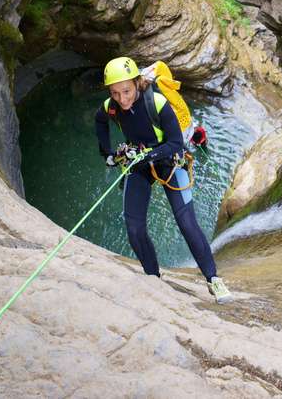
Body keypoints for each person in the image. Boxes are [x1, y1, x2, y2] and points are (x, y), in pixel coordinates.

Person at [94, 56, 232, 304]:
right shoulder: (111, 106)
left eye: (126, 91)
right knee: (134, 228)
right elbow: (100, 120)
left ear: (137, 83)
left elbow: (176, 143)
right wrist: (108, 155)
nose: (122, 99)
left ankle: (213, 279)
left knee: (186, 222)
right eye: (115, 93)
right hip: (140, 164)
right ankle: (153, 279)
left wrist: (148, 155)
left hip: (169, 160)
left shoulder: (157, 103)